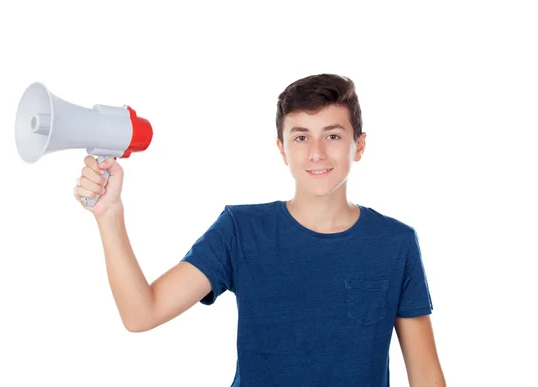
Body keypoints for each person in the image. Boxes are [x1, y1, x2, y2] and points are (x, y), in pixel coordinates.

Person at [72, 73, 446, 386]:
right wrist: (109, 215)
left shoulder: (395, 243)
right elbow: (142, 313)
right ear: (282, 149)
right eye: (301, 137)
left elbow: (426, 375)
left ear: (358, 145)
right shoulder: (241, 230)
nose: (316, 152)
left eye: (332, 135)